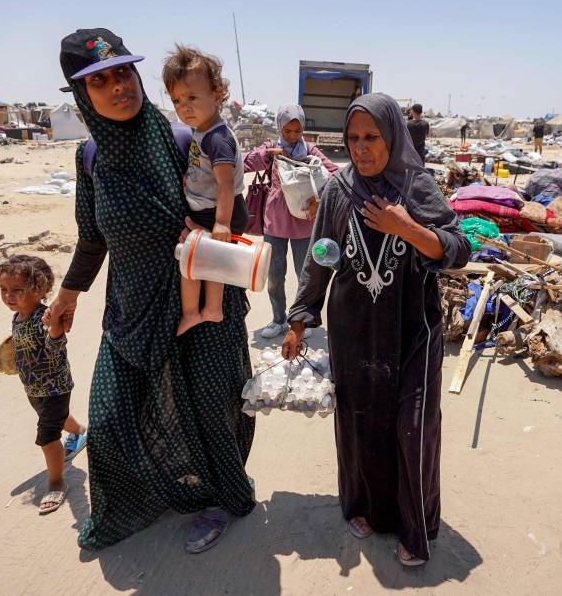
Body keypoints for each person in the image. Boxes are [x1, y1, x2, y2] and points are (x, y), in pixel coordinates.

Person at [45, 28, 255, 553]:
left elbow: (236, 215)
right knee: (112, 416)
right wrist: (68, 294)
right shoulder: (90, 158)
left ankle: (222, 499)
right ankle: (150, 496)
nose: (118, 86)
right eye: (100, 81)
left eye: (123, 72)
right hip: (132, 305)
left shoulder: (184, 141)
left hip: (201, 299)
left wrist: (207, 235)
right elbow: (92, 237)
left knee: (211, 410)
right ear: (81, 94)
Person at [281, 93, 470, 567]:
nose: (361, 147)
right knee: (360, 423)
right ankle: (365, 507)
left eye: (372, 137)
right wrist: (300, 319)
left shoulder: (416, 186)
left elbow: (458, 249)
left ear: (392, 137)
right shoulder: (339, 189)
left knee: (413, 429)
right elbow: (319, 258)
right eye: (353, 138)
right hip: (354, 333)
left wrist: (405, 227)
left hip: (411, 332)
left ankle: (416, 527)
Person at [0, 254, 87, 516]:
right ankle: (80, 432)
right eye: (4, 289)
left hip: (55, 387)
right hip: (33, 387)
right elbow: (23, 351)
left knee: (47, 436)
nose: (8, 295)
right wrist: (3, 362)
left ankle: (56, 483)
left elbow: (55, 345)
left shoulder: (43, 317)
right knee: (55, 418)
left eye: (17, 290)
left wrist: (55, 327)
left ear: (39, 289)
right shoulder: (19, 317)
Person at [162, 44, 246, 336]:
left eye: (192, 97)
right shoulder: (203, 130)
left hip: (219, 211)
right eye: (177, 100)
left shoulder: (218, 138)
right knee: (205, 259)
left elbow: (225, 183)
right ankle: (209, 308)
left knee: (193, 259)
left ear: (217, 94)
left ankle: (202, 310)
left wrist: (222, 223)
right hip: (211, 208)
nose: (184, 107)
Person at [243, 105, 339, 339]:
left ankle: (300, 321)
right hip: (275, 221)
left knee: (305, 275)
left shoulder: (310, 150)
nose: (293, 136)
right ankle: (278, 320)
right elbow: (244, 163)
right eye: (287, 131)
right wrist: (268, 154)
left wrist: (318, 199)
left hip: (304, 222)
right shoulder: (271, 149)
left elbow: (336, 174)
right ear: (280, 128)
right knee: (275, 275)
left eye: (297, 131)